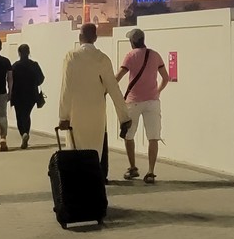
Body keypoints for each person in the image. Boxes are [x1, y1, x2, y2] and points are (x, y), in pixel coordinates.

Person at [59, 24, 127, 179]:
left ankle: (77, 192)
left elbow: (66, 88)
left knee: (75, 152)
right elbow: (113, 89)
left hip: (76, 115)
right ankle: (93, 189)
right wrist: (124, 118)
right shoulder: (102, 59)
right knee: (94, 154)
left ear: (79, 37)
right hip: (97, 114)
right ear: (95, 38)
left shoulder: (71, 57)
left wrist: (64, 117)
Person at [116, 28, 169, 184]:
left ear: (132, 42)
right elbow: (165, 77)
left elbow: (117, 77)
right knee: (153, 137)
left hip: (133, 101)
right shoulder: (155, 55)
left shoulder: (130, 56)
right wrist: (157, 91)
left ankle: (133, 168)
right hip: (153, 101)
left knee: (129, 135)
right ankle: (151, 172)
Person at [9, 44, 44, 149]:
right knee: (27, 114)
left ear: (19, 53)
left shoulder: (15, 66)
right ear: (28, 52)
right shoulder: (34, 65)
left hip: (18, 94)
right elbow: (41, 78)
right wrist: (34, 84)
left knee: (19, 116)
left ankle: (23, 133)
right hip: (31, 94)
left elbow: (11, 80)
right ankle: (26, 133)